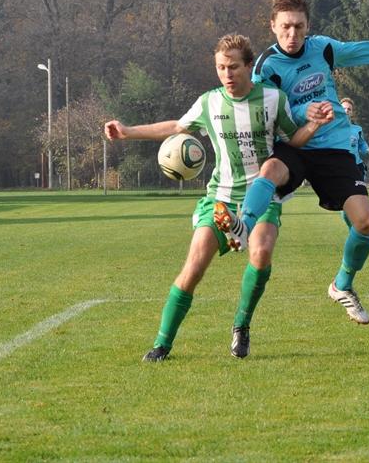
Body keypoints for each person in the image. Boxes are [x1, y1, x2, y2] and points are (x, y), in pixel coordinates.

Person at [214, 0, 369, 325]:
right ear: (273, 26)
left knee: (365, 223)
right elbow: (265, 108)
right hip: (296, 142)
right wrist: (301, 111)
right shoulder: (267, 66)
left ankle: (342, 285)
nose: (292, 34)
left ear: (308, 26)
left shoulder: (323, 48)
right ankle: (242, 227)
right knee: (271, 169)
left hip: (334, 146)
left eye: (299, 26)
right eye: (285, 27)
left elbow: (364, 50)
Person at [104, 34, 333, 362]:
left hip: (262, 194)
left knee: (261, 253)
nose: (227, 74)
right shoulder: (209, 102)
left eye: (234, 67)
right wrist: (128, 131)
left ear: (249, 66)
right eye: (221, 68)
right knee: (194, 268)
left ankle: (241, 325)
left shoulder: (273, 99)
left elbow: (292, 140)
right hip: (220, 197)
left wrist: (313, 125)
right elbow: (177, 127)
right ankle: (162, 344)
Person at [340, 97, 369, 182]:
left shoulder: (357, 129)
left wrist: (367, 150)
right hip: (339, 167)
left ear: (352, 112)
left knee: (359, 190)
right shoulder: (332, 128)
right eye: (344, 108)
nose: (346, 111)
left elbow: (362, 144)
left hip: (356, 166)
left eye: (349, 109)